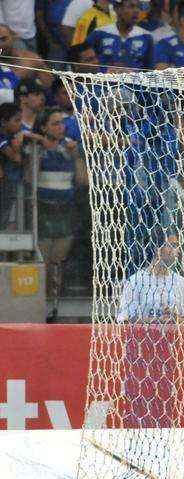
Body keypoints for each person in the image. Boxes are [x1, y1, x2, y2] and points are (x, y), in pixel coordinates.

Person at [33, 108, 87, 320]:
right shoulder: (38, 147)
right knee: (43, 261)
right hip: (43, 209)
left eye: (62, 123)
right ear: (44, 126)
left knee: (58, 262)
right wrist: (39, 148)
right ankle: (40, 304)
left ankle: (54, 306)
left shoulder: (70, 147)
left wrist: (76, 157)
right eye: (55, 123)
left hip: (65, 211)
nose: (60, 127)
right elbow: (30, 179)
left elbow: (83, 181)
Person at [116, 235, 184, 323]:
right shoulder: (135, 281)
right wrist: (156, 321)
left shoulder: (181, 283)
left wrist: (176, 319)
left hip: (173, 336)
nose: (177, 250)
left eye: (177, 246)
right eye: (173, 246)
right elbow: (123, 319)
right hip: (143, 336)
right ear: (157, 249)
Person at [87, 0, 153, 70]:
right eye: (131, 6)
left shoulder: (146, 37)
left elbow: (150, 70)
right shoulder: (99, 33)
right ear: (117, 9)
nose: (137, 11)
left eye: (139, 7)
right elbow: (85, 63)